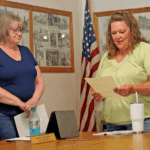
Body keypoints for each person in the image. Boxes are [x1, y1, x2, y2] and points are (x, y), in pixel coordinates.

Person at [91, 11, 150, 132]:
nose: (118, 36)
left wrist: (133, 88)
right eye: (114, 33)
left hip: (142, 121)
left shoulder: (144, 49)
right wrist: (98, 93)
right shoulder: (107, 56)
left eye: (122, 32)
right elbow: (98, 87)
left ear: (132, 31)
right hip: (112, 123)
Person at [0, 13, 45, 140]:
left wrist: (34, 99)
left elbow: (40, 81)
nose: (19, 34)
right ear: (4, 30)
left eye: (21, 30)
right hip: (4, 114)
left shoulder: (25, 51)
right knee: (13, 146)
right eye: (15, 30)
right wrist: (20, 103)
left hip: (28, 112)